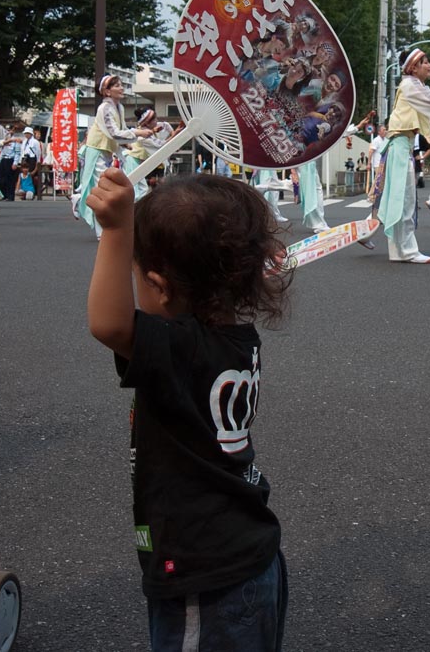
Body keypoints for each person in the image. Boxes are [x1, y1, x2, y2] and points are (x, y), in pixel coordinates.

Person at [86, 168, 291, 652]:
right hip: (249, 552)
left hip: (206, 574)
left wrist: (117, 230)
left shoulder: (179, 347)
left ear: (158, 286)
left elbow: (108, 324)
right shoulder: (237, 338)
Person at [376, 48, 430, 263]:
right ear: (413, 67)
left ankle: (398, 250)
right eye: (425, 62)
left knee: (399, 198)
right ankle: (407, 250)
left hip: (400, 145)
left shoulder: (413, 86)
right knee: (405, 198)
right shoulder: (410, 84)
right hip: (399, 145)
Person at [71, 74, 153, 238]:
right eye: (117, 86)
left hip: (107, 151)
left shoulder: (119, 108)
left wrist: (128, 142)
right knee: (101, 189)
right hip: (96, 150)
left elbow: (119, 131)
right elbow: (114, 133)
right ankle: (101, 231)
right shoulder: (104, 108)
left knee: (104, 187)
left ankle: (80, 199)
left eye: (121, 84)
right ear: (107, 92)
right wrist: (137, 132)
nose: (121, 87)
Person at [121, 108, 180, 201]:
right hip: (132, 160)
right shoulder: (143, 135)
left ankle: (137, 211)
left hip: (138, 161)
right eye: (155, 119)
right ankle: (134, 211)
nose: (157, 120)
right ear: (148, 123)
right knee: (137, 190)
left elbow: (165, 124)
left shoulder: (151, 127)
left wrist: (173, 132)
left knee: (142, 189)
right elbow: (160, 145)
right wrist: (175, 134)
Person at [0, 123, 22, 201]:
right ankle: (4, 195)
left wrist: (15, 163)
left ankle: (10, 196)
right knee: (1, 178)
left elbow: (17, 153)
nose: (8, 132)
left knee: (10, 179)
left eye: (9, 130)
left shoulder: (16, 140)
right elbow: (2, 151)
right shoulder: (4, 140)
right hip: (4, 159)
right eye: (7, 130)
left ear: (13, 131)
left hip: (11, 159)